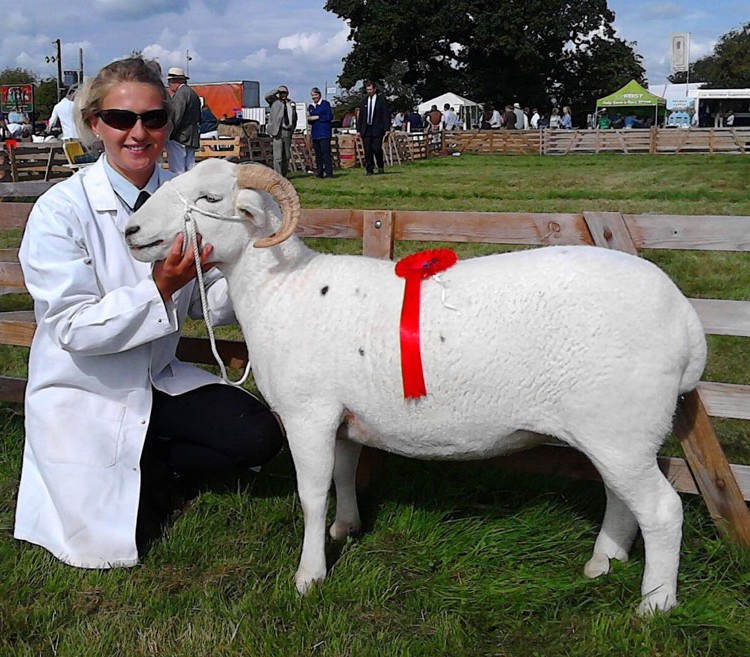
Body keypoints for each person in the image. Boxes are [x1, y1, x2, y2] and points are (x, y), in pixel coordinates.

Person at [13, 56, 284, 569]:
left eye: (153, 119)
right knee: (118, 536)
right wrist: (158, 289)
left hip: (157, 376)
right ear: (95, 124)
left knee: (257, 436)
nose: (138, 133)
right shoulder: (60, 210)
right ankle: (149, 472)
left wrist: (257, 278)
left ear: (167, 122)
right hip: (88, 388)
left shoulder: (181, 200)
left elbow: (211, 298)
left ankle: (154, 460)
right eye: (120, 119)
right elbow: (72, 327)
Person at [165, 67, 201, 173]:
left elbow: (176, 116)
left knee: (177, 171)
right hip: (191, 137)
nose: (169, 84)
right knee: (190, 170)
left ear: (176, 81)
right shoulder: (193, 93)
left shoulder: (180, 94)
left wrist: (168, 135)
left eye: (170, 81)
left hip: (179, 138)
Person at [357, 80, 390, 175]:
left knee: (376, 149)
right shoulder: (364, 101)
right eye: (367, 89)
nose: (369, 91)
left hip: (377, 129)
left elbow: (385, 114)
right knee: (368, 150)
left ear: (374, 89)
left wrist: (387, 128)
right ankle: (369, 169)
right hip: (366, 129)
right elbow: (361, 116)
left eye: (371, 89)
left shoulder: (381, 100)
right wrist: (358, 130)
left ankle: (380, 166)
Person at [264, 84, 297, 177]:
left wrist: (292, 128)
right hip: (277, 131)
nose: (283, 94)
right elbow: (267, 96)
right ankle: (278, 175)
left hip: (288, 131)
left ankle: (284, 174)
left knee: (286, 156)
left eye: (285, 92)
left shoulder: (291, 103)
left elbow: (295, 117)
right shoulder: (274, 102)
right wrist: (277, 90)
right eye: (281, 93)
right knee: (277, 156)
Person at [307, 86, 334, 178]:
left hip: (324, 133)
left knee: (325, 153)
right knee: (318, 154)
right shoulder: (311, 106)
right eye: (312, 95)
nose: (314, 97)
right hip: (315, 133)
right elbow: (309, 119)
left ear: (319, 95)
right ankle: (319, 172)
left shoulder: (325, 104)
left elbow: (329, 117)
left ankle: (329, 173)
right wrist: (309, 119)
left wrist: (318, 117)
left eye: (315, 95)